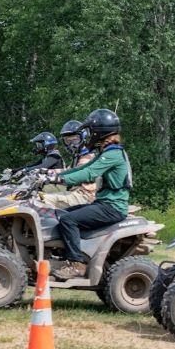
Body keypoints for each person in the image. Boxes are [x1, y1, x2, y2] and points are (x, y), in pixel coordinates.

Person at [46, 109, 131, 280]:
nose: (89, 135)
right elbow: (81, 168)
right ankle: (63, 256)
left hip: (112, 207)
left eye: (91, 132)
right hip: (104, 203)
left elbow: (89, 174)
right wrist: (51, 176)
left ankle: (77, 264)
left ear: (100, 132)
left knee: (68, 220)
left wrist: (59, 180)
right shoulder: (107, 152)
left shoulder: (113, 154)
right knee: (61, 214)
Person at [41, 120, 96, 210]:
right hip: (76, 193)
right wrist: (45, 171)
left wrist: (52, 178)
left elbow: (75, 174)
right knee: (42, 194)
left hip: (86, 196)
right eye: (67, 141)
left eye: (75, 140)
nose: (71, 144)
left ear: (83, 138)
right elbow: (67, 170)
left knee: (42, 199)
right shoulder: (78, 156)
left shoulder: (88, 156)